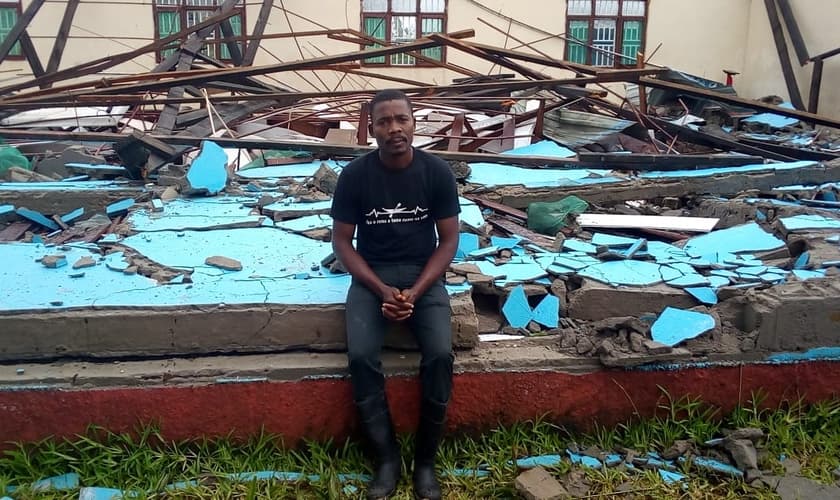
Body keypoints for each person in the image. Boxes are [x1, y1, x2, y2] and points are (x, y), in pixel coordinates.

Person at [330, 89, 460, 500]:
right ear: (372, 129)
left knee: (440, 355)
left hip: (424, 276)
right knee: (360, 355)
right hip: (373, 277)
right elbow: (342, 242)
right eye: (384, 122)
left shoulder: (437, 172)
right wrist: (382, 290)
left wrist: (416, 292)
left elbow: (449, 241)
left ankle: (425, 462)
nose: (394, 129)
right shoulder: (355, 176)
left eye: (401, 119)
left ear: (414, 123)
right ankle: (386, 459)